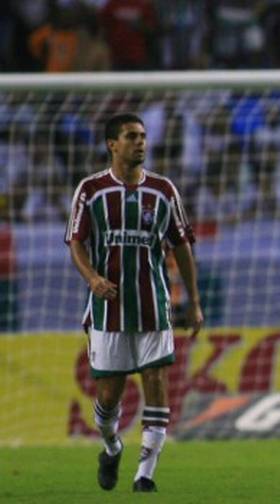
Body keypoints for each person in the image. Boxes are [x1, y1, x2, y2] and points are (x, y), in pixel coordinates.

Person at [65, 113, 203, 493]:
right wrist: (93, 278)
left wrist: (194, 301)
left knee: (156, 381)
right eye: (131, 136)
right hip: (108, 310)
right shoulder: (91, 190)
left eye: (142, 136)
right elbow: (75, 241)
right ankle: (111, 446)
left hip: (153, 305)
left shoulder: (163, 190)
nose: (140, 142)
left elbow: (182, 246)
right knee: (109, 396)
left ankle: (145, 475)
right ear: (112, 144)